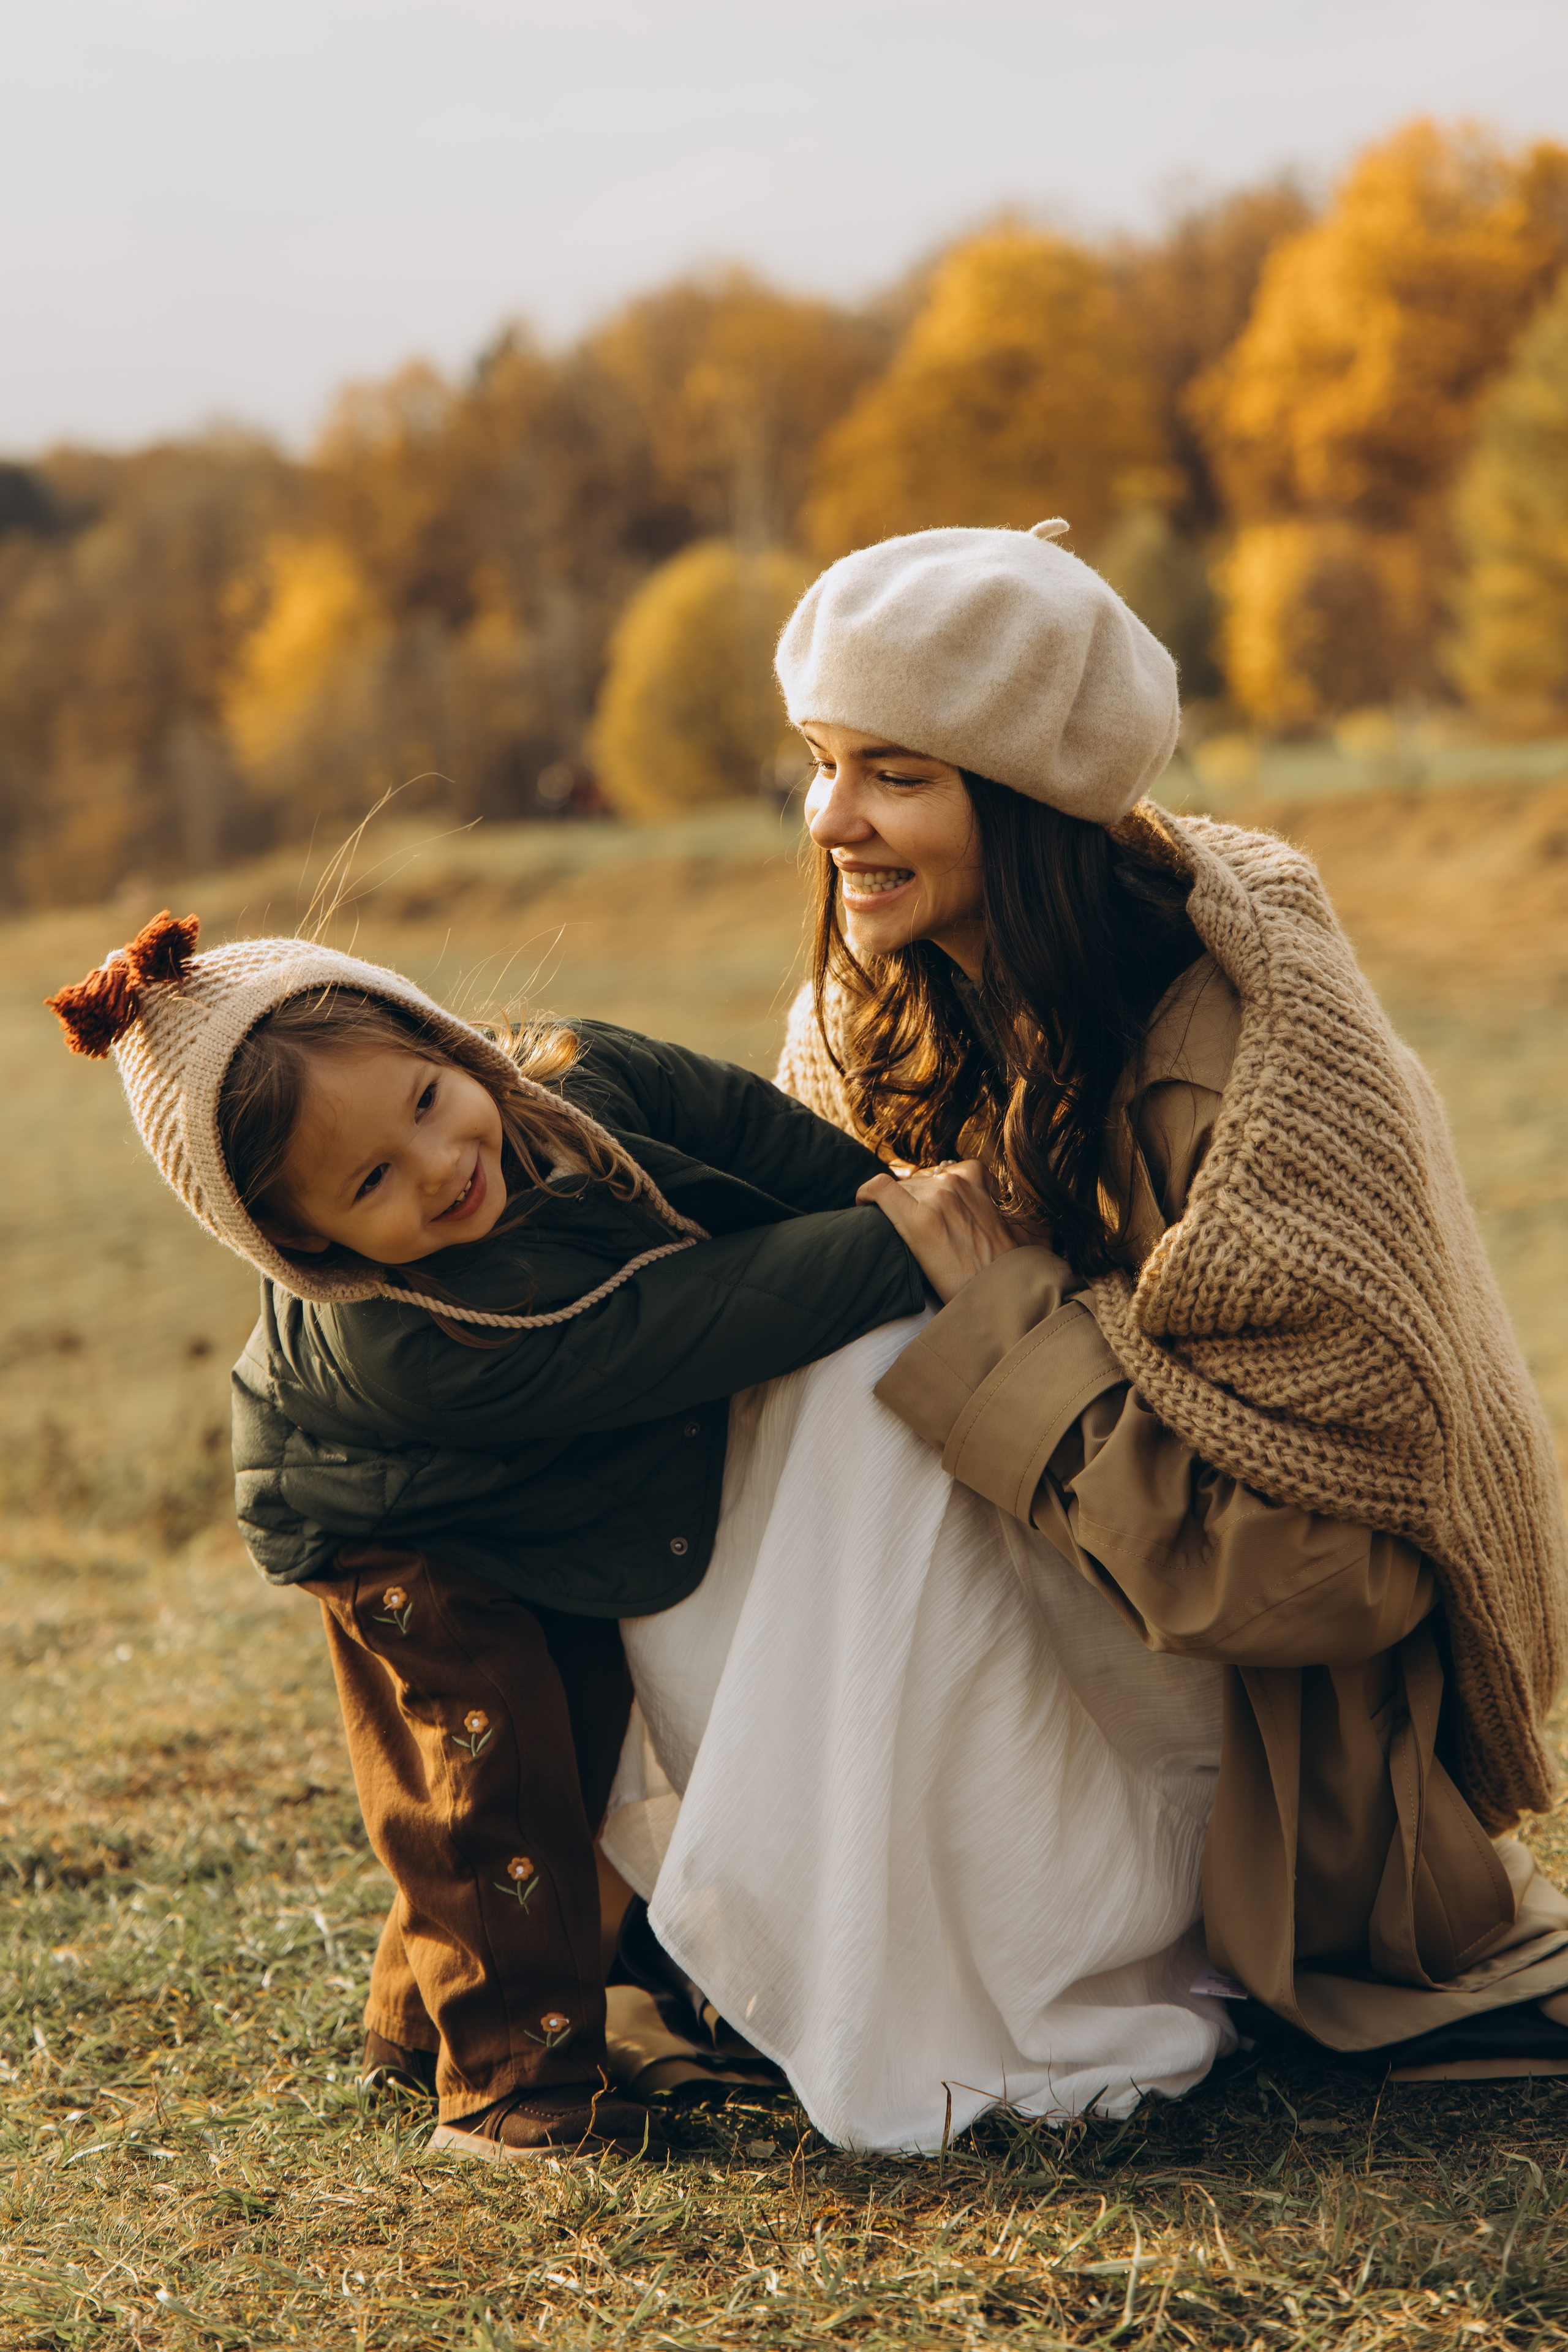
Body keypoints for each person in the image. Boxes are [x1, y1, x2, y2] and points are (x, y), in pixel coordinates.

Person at [733, 519, 1568, 2090]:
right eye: (817, 760)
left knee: (868, 1378)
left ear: (1032, 801)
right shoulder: (871, 1020)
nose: (828, 819)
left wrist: (1008, 1340)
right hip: (1096, 1646)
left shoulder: (1246, 1067)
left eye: (894, 775)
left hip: (1289, 1767)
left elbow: (1340, 1580)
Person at [46, 917, 962, 2157]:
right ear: (305, 1244)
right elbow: (676, 1323)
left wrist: (878, 1191)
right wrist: (904, 1249)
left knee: (570, 1740)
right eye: (369, 1182)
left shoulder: (576, 1074)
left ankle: (407, 2028)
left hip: (515, 1489)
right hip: (391, 1528)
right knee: (497, 1767)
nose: (435, 1165)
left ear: (446, 1041)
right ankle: (511, 2096)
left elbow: (741, 1126)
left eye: (428, 1100)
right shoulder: (420, 1341)